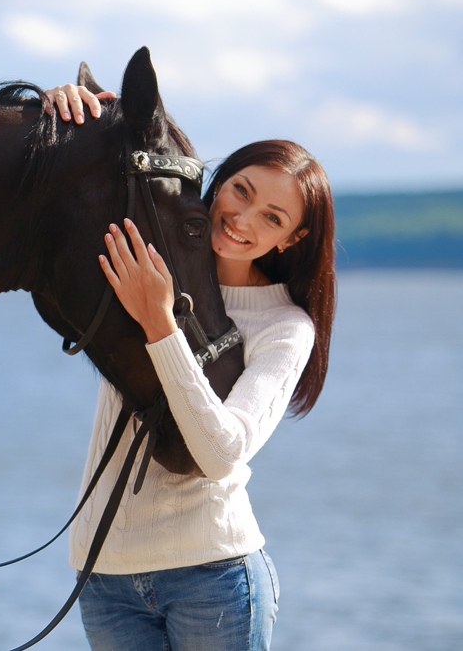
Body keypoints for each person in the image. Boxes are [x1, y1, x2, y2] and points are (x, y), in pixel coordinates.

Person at [44, 84, 337, 651]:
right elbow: (80, 197)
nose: (241, 218)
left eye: (271, 216)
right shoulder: (152, 259)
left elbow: (220, 453)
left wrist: (161, 326)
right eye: (240, 191)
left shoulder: (284, 329)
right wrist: (70, 110)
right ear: (219, 179)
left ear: (292, 237)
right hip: (103, 574)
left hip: (213, 576)